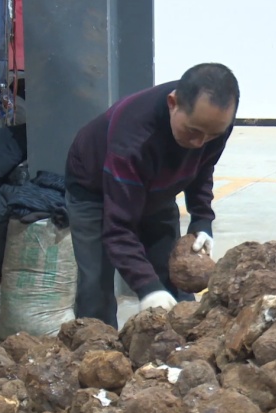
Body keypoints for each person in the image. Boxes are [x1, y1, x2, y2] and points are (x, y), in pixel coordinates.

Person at [64, 62, 240, 329]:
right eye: (192, 131)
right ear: (173, 103)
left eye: (211, 135)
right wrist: (148, 289)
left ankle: (186, 349)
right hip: (95, 188)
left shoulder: (214, 122)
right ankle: (97, 349)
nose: (199, 143)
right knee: (96, 285)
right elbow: (118, 229)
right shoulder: (132, 139)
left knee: (173, 271)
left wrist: (202, 219)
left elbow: (203, 166)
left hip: (155, 185)